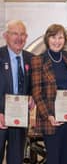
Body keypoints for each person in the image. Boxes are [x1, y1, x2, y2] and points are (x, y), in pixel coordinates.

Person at [31, 24, 67, 164]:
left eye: (60, 37)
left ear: (65, 39)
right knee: (54, 159)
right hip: (51, 120)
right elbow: (37, 92)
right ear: (47, 39)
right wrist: (48, 115)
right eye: (53, 37)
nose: (57, 41)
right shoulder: (38, 60)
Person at [0, 20, 33, 164]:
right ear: (5, 36)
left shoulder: (31, 59)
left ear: (26, 37)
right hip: (0, 118)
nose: (19, 38)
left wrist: (33, 96)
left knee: (16, 159)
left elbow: (34, 85)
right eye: (15, 34)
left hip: (20, 119)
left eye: (22, 34)